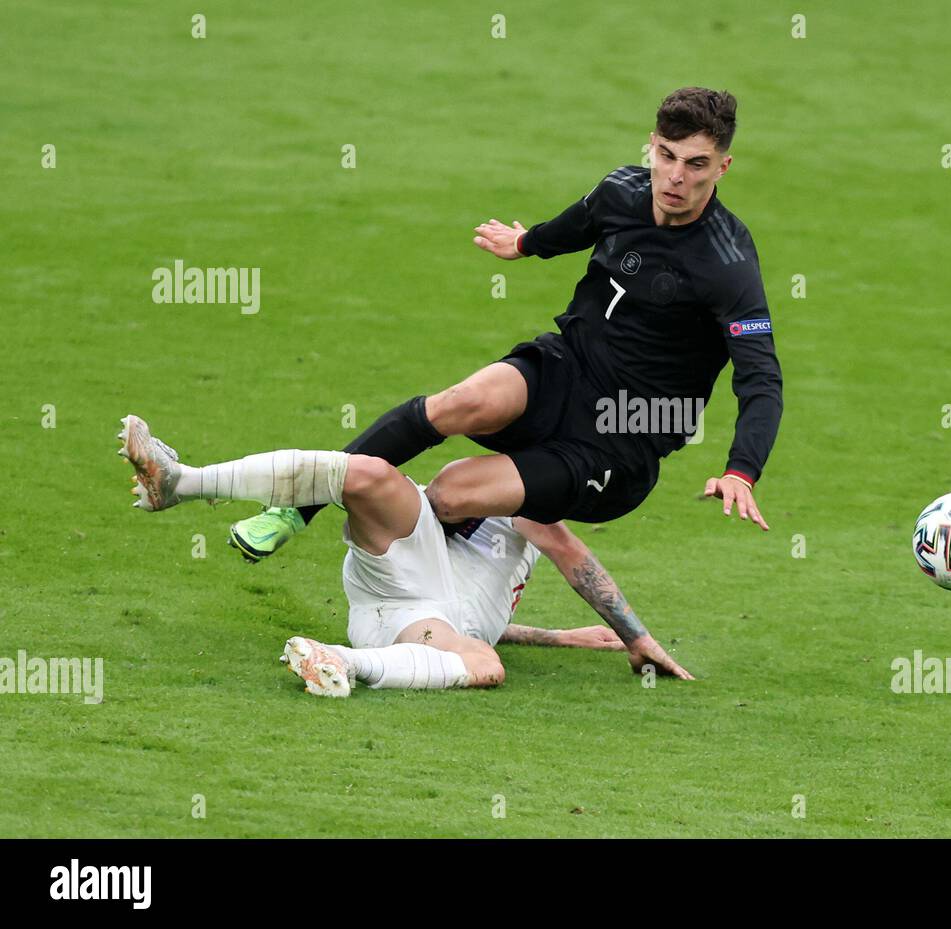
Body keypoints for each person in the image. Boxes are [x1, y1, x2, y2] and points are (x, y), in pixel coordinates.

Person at [229, 85, 783, 563]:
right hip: (569, 369)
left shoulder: (729, 264)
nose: (675, 177)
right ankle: (296, 510)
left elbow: (761, 380)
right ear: (652, 145)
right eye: (666, 156)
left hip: (623, 436)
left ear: (722, 166)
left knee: (449, 494)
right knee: (454, 404)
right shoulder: (624, 189)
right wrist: (523, 243)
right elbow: (578, 225)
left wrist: (741, 470)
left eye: (696, 164)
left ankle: (440, 584)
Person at [118, 414, 692, 697]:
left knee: (483, 660)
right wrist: (638, 638)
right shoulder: (520, 494)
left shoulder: (518, 499)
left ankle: (340, 658)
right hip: (411, 578)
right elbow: (571, 554)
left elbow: (487, 621)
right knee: (369, 474)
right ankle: (183, 481)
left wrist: (558, 637)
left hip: (411, 621)